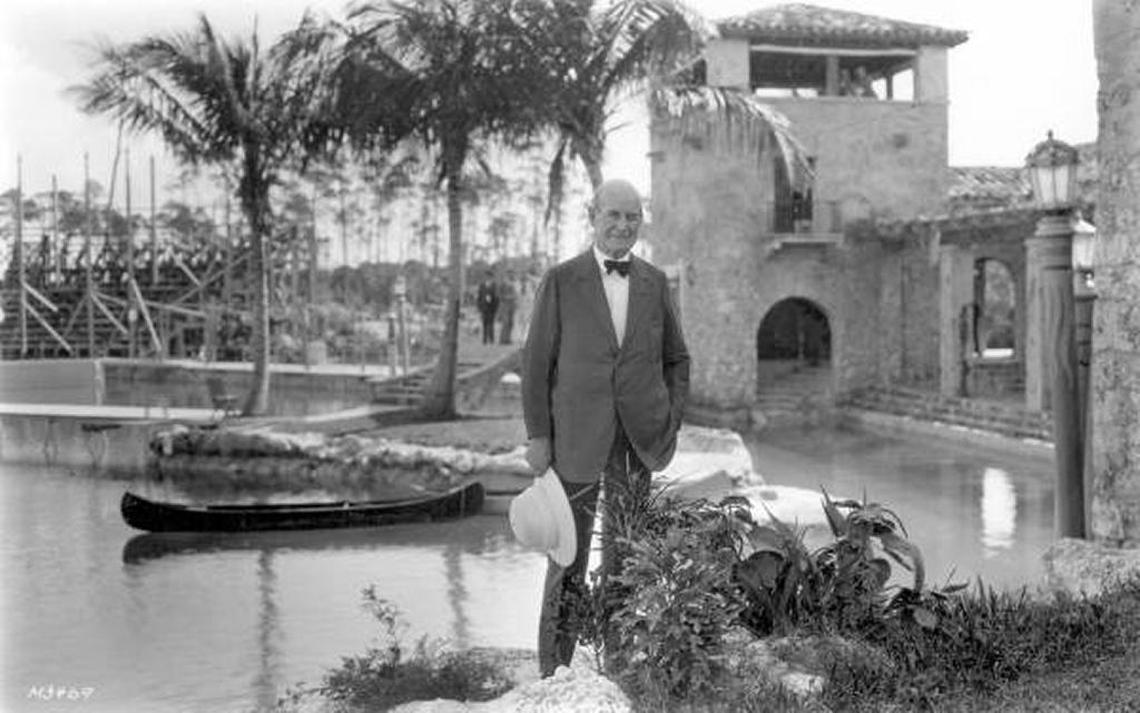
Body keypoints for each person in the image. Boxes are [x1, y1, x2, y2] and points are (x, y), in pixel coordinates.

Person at [521, 178, 690, 677]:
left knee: (625, 555)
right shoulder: (560, 279)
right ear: (592, 216)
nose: (622, 225)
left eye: (632, 217)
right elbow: (536, 365)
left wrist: (669, 420)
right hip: (574, 440)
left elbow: (677, 359)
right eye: (613, 215)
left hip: (636, 442)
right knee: (566, 557)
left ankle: (617, 666)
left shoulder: (655, 282)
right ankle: (555, 671)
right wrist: (538, 437)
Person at [476, 271, 499, 344]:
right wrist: (479, 306)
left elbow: (497, 297)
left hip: (492, 307)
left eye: (489, 276)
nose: (487, 277)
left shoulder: (494, 285)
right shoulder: (482, 285)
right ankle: (484, 339)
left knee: (491, 324)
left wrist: (496, 307)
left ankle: (491, 339)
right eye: (486, 276)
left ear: (491, 277)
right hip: (484, 307)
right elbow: (479, 296)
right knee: (484, 323)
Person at [497, 272, 518, 345]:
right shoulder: (503, 284)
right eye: (509, 274)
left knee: (511, 323)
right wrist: (506, 297)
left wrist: (514, 298)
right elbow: (499, 295)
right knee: (505, 322)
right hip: (505, 305)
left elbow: (515, 294)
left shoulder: (514, 283)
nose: (511, 275)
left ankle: (508, 339)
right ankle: (502, 339)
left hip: (512, 305)